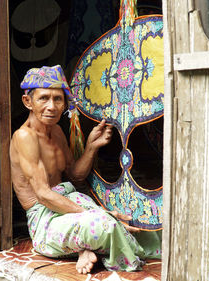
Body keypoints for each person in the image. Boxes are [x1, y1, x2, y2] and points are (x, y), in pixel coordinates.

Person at [9, 65, 160, 274]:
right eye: (43, 98)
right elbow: (43, 195)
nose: (51, 106)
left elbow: (74, 176)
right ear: (28, 102)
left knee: (140, 225)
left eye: (58, 99)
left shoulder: (58, 132)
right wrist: (94, 214)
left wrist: (91, 147)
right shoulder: (24, 137)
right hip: (46, 221)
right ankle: (88, 247)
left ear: (64, 103)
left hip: (70, 205)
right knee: (107, 225)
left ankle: (86, 249)